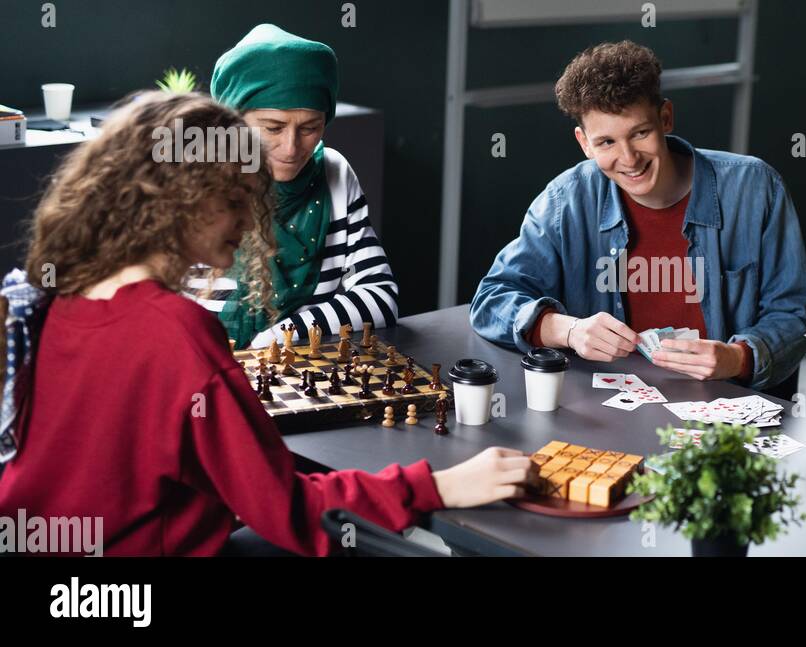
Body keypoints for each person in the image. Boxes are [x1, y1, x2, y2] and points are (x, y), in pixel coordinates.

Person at [0, 92, 531, 556]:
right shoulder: (176, 333)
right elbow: (287, 510)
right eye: (235, 200)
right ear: (180, 199)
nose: (248, 220)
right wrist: (438, 486)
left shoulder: (61, 295)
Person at [470, 41, 806, 396]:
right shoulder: (566, 200)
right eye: (606, 142)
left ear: (665, 117)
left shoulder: (754, 187)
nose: (629, 159)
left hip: (723, 405)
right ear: (584, 143)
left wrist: (738, 357)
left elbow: (795, 313)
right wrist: (568, 331)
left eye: (640, 133)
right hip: (609, 407)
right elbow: (491, 300)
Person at [189, 24, 398, 349]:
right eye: (272, 128)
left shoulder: (335, 173)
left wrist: (283, 332)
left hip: (294, 382)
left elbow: (379, 298)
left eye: (310, 127)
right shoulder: (187, 187)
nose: (291, 148)